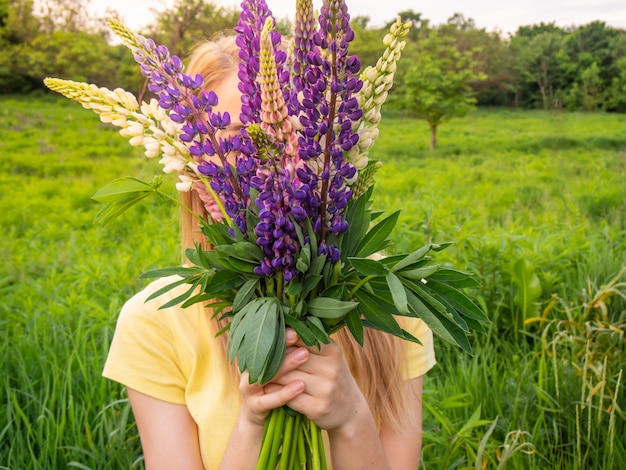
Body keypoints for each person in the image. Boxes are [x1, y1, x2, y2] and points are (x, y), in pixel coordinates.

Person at [103, 35, 436, 470]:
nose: (272, 160)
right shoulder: (153, 320)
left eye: (295, 136)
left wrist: (350, 419)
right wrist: (252, 425)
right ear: (194, 161)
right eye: (242, 138)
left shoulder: (393, 300)